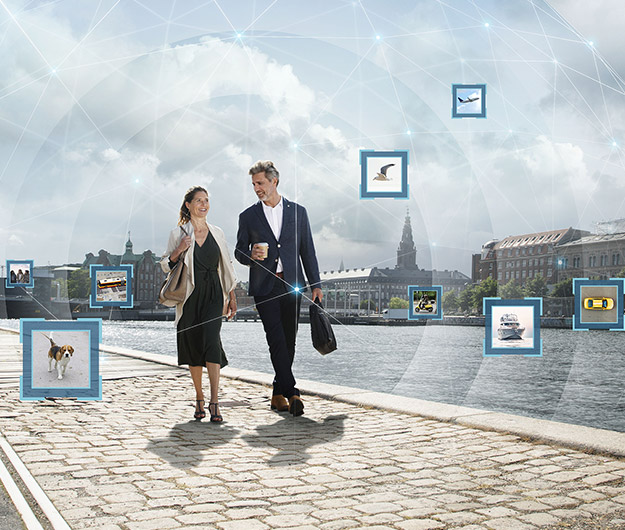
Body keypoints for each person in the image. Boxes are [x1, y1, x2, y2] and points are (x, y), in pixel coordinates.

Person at [235, 160, 322, 416]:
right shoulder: (248, 216)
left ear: (274, 181)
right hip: (265, 286)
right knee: (276, 339)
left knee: (290, 339)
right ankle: (293, 392)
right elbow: (239, 252)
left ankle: (277, 393)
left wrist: (315, 284)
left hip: (292, 284)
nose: (257, 188)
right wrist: (250, 253)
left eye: (260, 183)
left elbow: (308, 250)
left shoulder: (298, 212)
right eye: (253, 184)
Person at [161, 186, 237, 422]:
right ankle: (199, 398)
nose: (204, 205)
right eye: (199, 201)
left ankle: (215, 401)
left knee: (212, 342)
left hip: (214, 292)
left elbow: (227, 265)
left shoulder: (218, 232)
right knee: (193, 345)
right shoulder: (178, 233)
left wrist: (231, 295)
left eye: (206, 201)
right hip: (189, 296)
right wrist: (178, 251)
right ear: (188, 205)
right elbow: (165, 264)